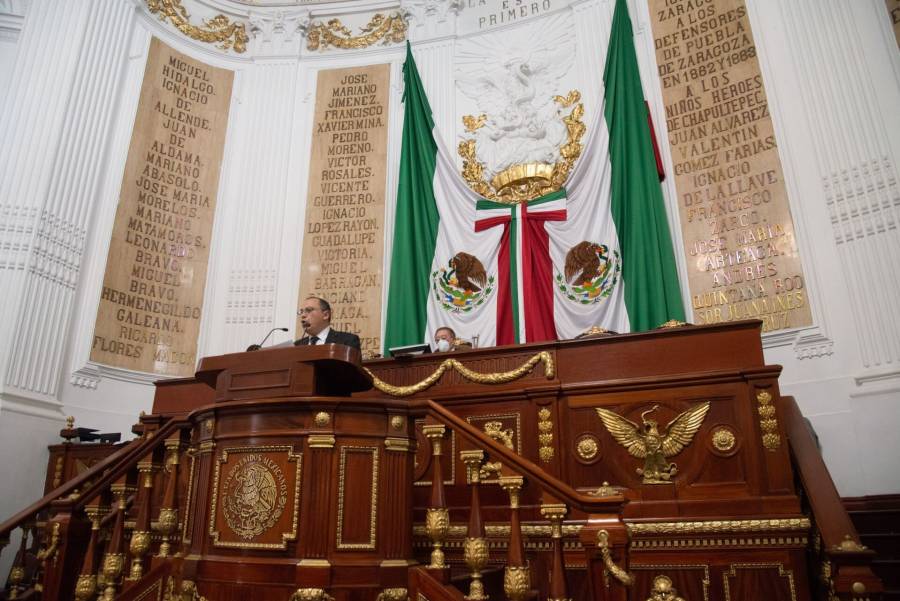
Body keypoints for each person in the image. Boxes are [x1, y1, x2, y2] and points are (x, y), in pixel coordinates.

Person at [295, 296, 361, 350]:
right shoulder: (296, 346)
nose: (303, 315)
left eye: (309, 310)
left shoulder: (347, 341)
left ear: (326, 315)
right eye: (301, 312)